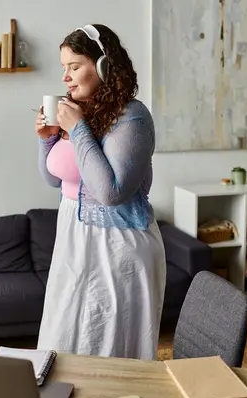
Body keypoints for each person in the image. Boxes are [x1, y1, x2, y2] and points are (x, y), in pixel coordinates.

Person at [34, 24, 166, 360]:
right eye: (64, 68)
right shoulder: (81, 114)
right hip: (74, 239)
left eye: (74, 66)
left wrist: (77, 129)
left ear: (105, 66)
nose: (65, 77)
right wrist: (47, 137)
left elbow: (111, 191)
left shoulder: (132, 117)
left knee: (112, 349)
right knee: (63, 341)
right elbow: (55, 181)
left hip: (119, 246)